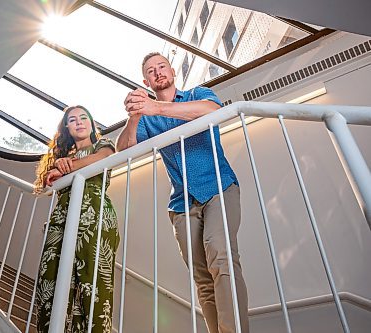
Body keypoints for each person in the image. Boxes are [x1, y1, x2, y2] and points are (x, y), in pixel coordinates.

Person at [116, 52, 249, 333]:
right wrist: (134, 116)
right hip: (181, 204)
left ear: (173, 71)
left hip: (218, 187)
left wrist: (157, 108)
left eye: (162, 66)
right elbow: (123, 150)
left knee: (221, 255)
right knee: (202, 278)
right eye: (151, 71)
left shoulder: (197, 94)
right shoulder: (146, 119)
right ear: (145, 81)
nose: (158, 72)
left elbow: (213, 111)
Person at [34, 105, 119, 333]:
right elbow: (47, 183)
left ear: (91, 124)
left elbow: (102, 159)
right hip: (62, 217)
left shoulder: (103, 144)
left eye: (84, 118)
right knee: (49, 281)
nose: (79, 122)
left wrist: (66, 169)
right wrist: (59, 167)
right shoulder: (62, 159)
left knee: (93, 285)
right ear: (67, 128)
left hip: (95, 215)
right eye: (73, 120)